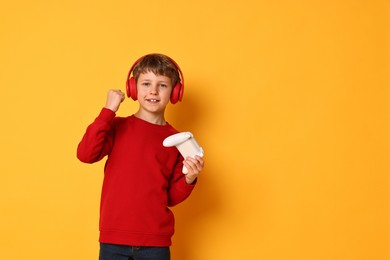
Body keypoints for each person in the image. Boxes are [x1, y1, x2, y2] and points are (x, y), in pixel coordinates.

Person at [77, 53, 205, 260]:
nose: (153, 91)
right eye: (146, 83)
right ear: (133, 88)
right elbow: (85, 154)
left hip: (155, 243)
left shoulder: (177, 140)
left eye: (162, 85)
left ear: (175, 92)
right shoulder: (116, 126)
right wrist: (108, 111)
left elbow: (171, 197)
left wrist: (189, 178)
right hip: (113, 240)